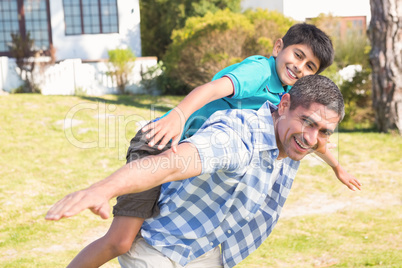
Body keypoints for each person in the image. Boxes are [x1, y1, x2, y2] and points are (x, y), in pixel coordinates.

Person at [59, 23, 360, 267]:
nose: (300, 67)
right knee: (121, 241)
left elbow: (315, 139)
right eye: (297, 55)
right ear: (278, 47)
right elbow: (212, 89)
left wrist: (338, 168)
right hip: (160, 141)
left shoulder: (286, 101)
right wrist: (177, 116)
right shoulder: (259, 72)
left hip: (189, 147)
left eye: (310, 66)